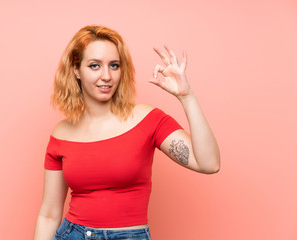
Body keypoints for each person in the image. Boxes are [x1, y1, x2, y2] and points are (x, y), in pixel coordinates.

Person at [33, 25, 220, 240]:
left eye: (114, 65)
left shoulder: (147, 119)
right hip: (73, 234)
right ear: (76, 70)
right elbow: (49, 215)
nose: (106, 76)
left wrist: (186, 96)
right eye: (94, 66)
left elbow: (209, 163)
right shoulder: (62, 133)